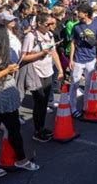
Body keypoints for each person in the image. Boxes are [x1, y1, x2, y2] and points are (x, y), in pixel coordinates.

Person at [0, 22, 40, 177]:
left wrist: (9, 70)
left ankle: (21, 159)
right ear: (1, 36)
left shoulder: (0, 51)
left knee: (14, 129)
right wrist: (7, 70)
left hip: (5, 97)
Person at [20, 13, 64, 142]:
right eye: (48, 24)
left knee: (44, 103)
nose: (51, 27)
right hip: (35, 73)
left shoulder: (49, 35)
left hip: (48, 71)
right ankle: (37, 131)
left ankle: (42, 128)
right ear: (39, 23)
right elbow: (23, 57)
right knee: (39, 102)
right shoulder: (30, 36)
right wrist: (40, 54)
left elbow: (54, 52)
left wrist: (60, 69)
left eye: (52, 24)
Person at [69, 4, 97, 118]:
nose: (77, 14)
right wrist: (71, 60)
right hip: (78, 60)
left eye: (78, 12)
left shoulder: (96, 25)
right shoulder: (76, 27)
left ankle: (85, 107)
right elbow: (73, 43)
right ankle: (73, 108)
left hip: (91, 60)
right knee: (74, 84)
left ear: (85, 13)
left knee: (89, 85)